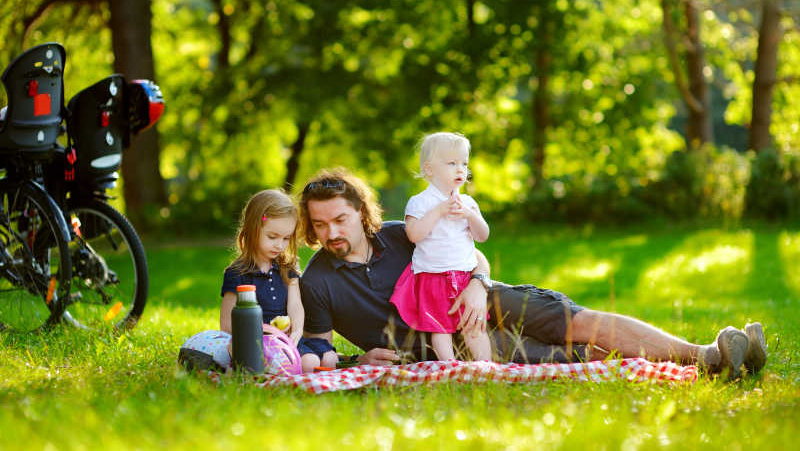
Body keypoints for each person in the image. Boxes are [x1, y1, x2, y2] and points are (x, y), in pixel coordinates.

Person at [298, 168, 767, 380]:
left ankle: (707, 353)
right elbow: (315, 347)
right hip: (446, 346)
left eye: (339, 220)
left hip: (487, 299)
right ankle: (721, 362)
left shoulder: (405, 234)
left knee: (579, 319)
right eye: (319, 224)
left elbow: (472, 257)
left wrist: (480, 286)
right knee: (574, 354)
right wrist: (355, 362)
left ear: (362, 211)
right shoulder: (317, 281)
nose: (330, 232)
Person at [390, 132, 491, 361]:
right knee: (440, 327)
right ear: (429, 169)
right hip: (432, 276)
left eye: (464, 163)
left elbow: (483, 235)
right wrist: (439, 211)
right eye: (452, 163)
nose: (460, 170)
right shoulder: (421, 202)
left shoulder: (467, 203)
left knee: (474, 323)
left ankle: (486, 366)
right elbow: (414, 235)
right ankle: (449, 366)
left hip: (465, 274)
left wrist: (471, 216)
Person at [220, 189, 338, 373]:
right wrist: (264, 333)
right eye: (272, 237)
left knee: (327, 358)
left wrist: (298, 330)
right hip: (256, 343)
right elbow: (227, 325)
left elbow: (295, 305)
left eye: (286, 238)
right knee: (307, 364)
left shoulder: (286, 268)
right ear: (253, 230)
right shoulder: (238, 273)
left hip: (288, 339)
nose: (280, 245)